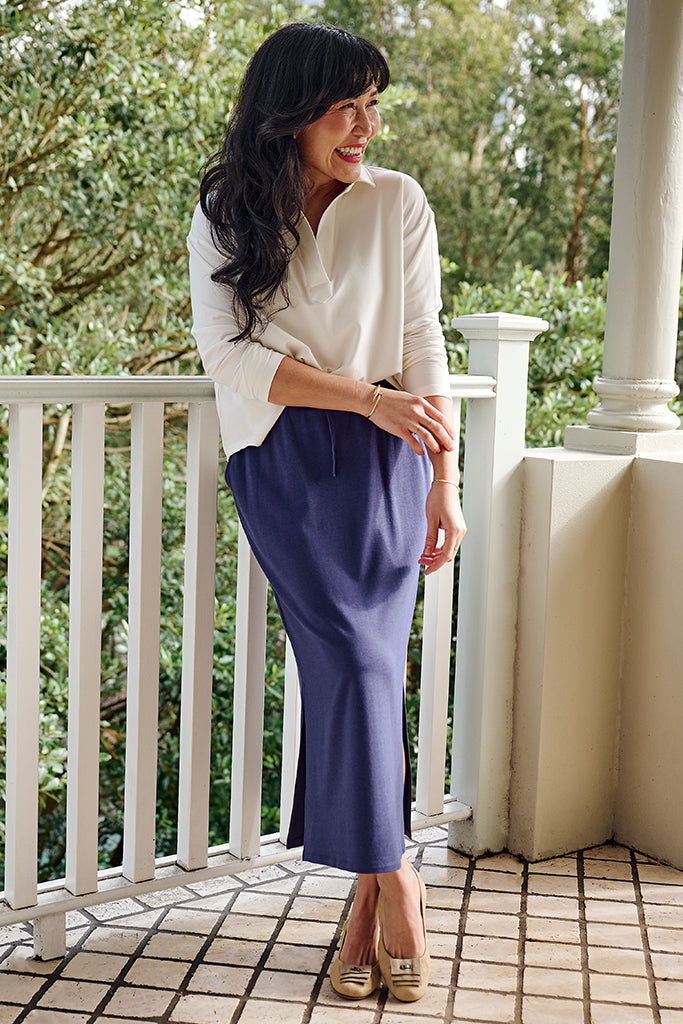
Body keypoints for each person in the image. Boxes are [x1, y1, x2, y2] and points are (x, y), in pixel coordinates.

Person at [187, 21, 466, 1003]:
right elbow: (228, 357)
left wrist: (445, 481)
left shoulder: (399, 202)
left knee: (368, 675)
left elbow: (422, 339)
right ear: (290, 111)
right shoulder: (226, 211)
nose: (365, 125)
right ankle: (398, 881)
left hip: (391, 459)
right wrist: (363, 400)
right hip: (282, 458)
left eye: (371, 104)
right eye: (346, 105)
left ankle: (364, 903)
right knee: (353, 663)